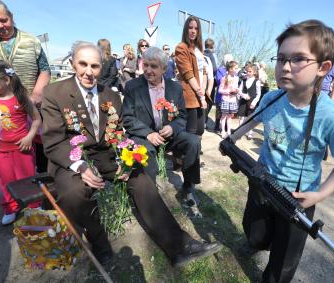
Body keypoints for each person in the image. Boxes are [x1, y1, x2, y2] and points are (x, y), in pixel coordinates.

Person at [41, 42, 222, 267]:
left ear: (101, 67)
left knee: (140, 178)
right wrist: (80, 167)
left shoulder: (110, 95)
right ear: (72, 63)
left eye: (95, 66)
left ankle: (179, 246)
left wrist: (127, 156)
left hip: (105, 153)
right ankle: (100, 243)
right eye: (83, 64)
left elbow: (117, 132)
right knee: (74, 192)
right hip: (71, 157)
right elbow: (53, 140)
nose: (89, 71)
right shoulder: (54, 93)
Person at [230, 20, 334, 282]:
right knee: (254, 234)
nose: (285, 67)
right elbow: (251, 122)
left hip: (298, 199)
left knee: (283, 261)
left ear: (323, 68)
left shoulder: (333, 117)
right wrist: (230, 140)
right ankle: (257, 243)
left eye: (298, 59)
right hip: (262, 183)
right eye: (281, 59)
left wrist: (319, 195)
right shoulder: (271, 99)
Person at [123, 46, 205, 216]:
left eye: (154, 66)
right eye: (145, 65)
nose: (148, 70)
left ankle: (188, 187)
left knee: (193, 141)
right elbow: (128, 117)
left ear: (164, 69)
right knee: (146, 150)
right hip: (145, 135)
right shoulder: (132, 86)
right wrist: (148, 133)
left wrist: (172, 127)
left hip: (169, 135)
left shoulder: (175, 88)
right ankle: (149, 194)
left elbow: (182, 116)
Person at [0, 0, 51, 173]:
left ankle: (41, 191)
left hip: (29, 105)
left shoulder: (31, 40)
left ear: (12, 17)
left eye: (4, 20)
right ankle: (15, 192)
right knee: (10, 159)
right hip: (1, 111)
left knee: (39, 151)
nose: (0, 26)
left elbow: (45, 70)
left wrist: (37, 94)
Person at [0, 59, 42, 225]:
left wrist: (29, 137)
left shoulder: (21, 97)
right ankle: (10, 207)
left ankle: (34, 205)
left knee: (27, 178)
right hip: (0, 150)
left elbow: (36, 119)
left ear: (6, 80)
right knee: (6, 180)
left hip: (23, 150)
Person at [175, 16, 210, 139]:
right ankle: (186, 157)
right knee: (191, 131)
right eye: (190, 27)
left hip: (200, 92)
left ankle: (193, 154)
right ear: (186, 29)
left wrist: (204, 93)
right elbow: (188, 74)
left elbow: (204, 72)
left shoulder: (199, 49)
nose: (193, 31)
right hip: (190, 94)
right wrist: (200, 95)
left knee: (200, 130)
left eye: (196, 28)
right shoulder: (181, 47)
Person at [218, 60, 242, 139]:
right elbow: (220, 90)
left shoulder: (237, 78)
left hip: (233, 100)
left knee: (230, 117)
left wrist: (237, 90)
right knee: (224, 116)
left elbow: (235, 88)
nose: (237, 69)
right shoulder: (224, 78)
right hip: (225, 100)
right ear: (230, 69)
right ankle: (223, 131)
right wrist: (229, 91)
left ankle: (228, 131)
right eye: (236, 68)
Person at [236, 63, 261, 139]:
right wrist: (244, 95)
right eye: (247, 71)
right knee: (241, 117)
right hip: (243, 101)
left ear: (254, 72)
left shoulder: (257, 81)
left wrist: (254, 103)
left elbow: (258, 94)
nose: (248, 73)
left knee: (250, 118)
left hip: (251, 103)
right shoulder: (243, 80)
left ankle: (249, 132)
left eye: (250, 71)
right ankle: (239, 131)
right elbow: (239, 90)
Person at [214, 54, 233, 133]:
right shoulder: (220, 69)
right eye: (228, 60)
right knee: (219, 110)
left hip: (229, 95)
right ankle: (217, 126)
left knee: (227, 111)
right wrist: (227, 78)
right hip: (221, 94)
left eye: (230, 60)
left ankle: (225, 127)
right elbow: (218, 80)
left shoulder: (232, 70)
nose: (229, 62)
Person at [203, 38, 219, 125]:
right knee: (209, 99)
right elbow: (215, 68)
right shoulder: (212, 55)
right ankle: (204, 120)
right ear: (212, 45)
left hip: (200, 80)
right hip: (209, 80)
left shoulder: (201, 53)